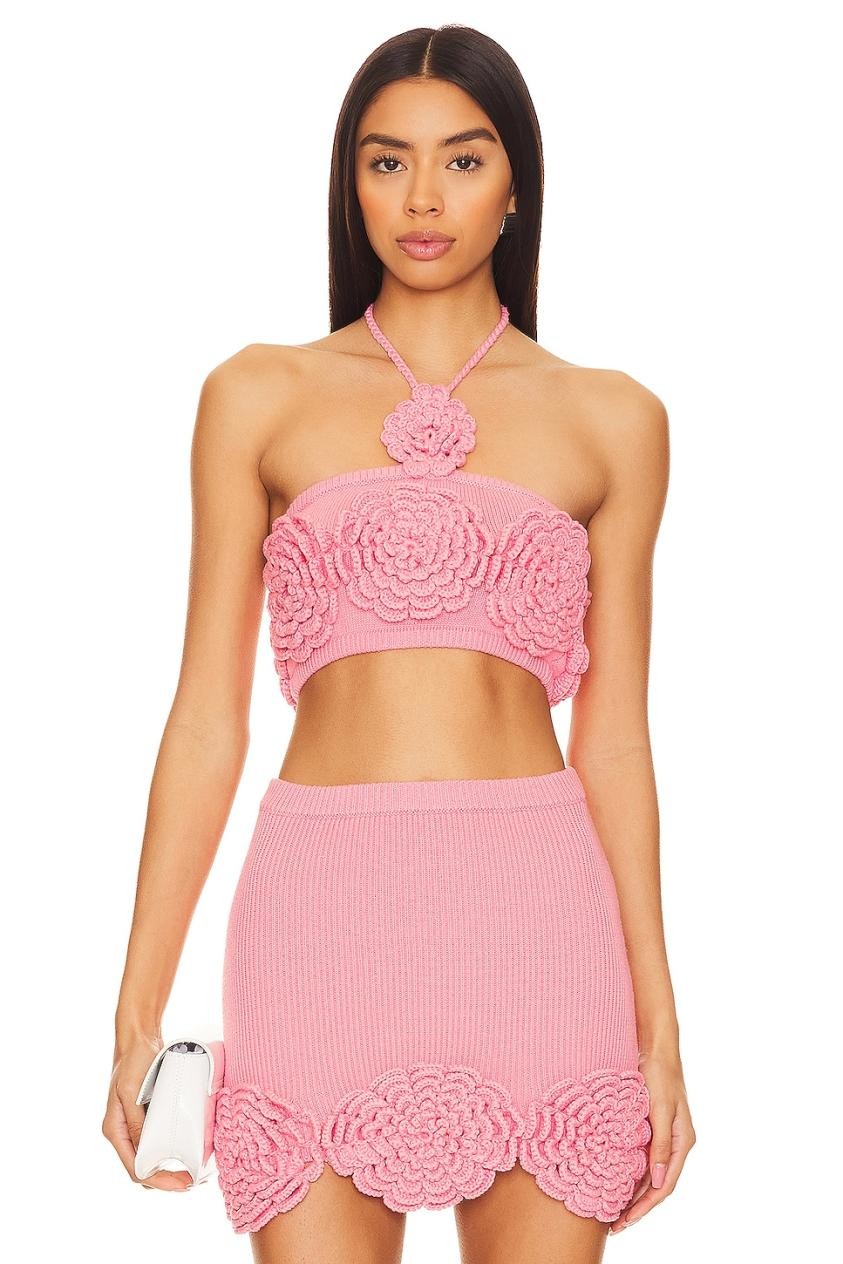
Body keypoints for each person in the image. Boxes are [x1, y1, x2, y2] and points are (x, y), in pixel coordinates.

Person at [103, 24, 694, 1264]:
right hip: (320, 918)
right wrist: (136, 1006)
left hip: (540, 923)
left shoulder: (616, 420)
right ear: (351, 182)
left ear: (517, 184)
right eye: (388, 162)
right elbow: (207, 718)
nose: (423, 198)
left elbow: (620, 744)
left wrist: (659, 1024)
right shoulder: (257, 395)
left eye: (462, 161)